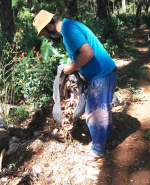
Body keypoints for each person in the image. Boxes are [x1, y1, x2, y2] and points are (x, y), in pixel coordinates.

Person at [33, 10, 118, 161]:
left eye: (44, 33)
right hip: (106, 72)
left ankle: (98, 150)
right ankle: (108, 138)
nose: (46, 37)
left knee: (94, 113)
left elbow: (87, 53)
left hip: (102, 75)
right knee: (103, 109)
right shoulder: (69, 26)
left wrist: (71, 68)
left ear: (49, 26)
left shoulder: (68, 29)